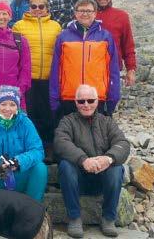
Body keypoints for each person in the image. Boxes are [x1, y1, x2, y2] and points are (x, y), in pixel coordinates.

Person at [54, 84, 130, 238]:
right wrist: (83, 160)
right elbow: (61, 142)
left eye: (90, 100)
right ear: (75, 102)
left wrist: (108, 158)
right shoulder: (67, 121)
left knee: (116, 168)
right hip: (78, 179)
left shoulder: (107, 122)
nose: (86, 105)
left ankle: (109, 218)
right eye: (81, 101)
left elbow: (122, 143)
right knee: (65, 166)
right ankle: (74, 218)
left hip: (103, 178)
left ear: (97, 101)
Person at [49, 0, 120, 116]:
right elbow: (56, 70)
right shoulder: (63, 37)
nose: (85, 14)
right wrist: (54, 99)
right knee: (69, 134)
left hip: (96, 98)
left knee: (97, 134)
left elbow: (113, 70)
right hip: (69, 98)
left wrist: (113, 98)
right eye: (81, 10)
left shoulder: (106, 36)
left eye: (89, 11)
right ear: (75, 13)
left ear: (95, 13)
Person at [13, 0, 61, 159]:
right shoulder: (19, 26)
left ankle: (47, 147)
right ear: (29, 7)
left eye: (41, 6)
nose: (38, 10)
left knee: (48, 114)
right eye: (34, 6)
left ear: (47, 8)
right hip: (28, 78)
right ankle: (29, 148)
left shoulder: (55, 26)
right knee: (30, 114)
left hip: (49, 78)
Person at [94, 0, 137, 86]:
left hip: (113, 70)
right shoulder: (87, 14)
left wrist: (131, 69)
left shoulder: (122, 16)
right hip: (89, 69)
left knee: (112, 101)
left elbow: (128, 45)